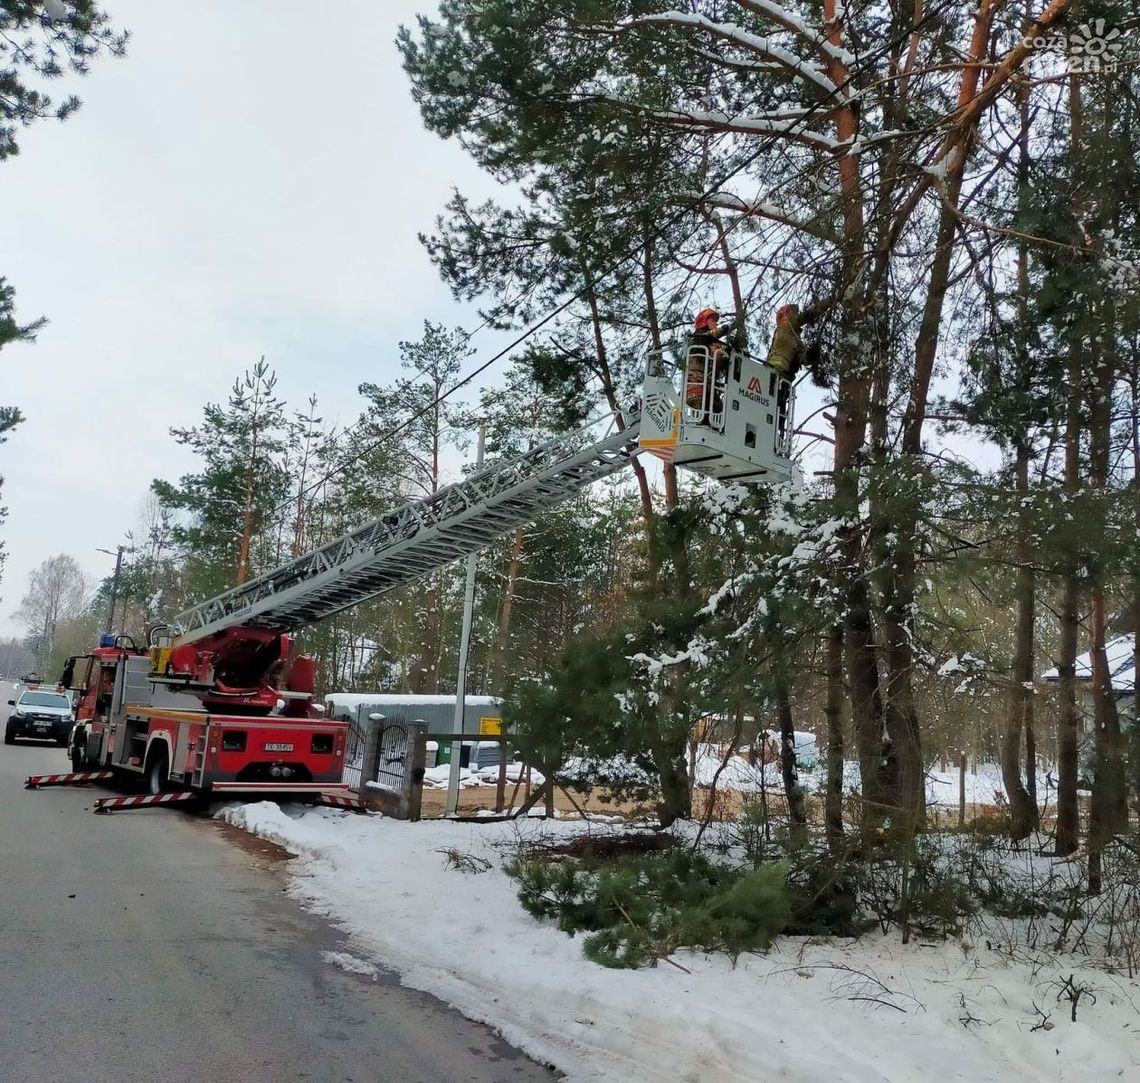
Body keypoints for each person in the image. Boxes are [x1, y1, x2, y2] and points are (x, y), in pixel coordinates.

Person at [687, 307, 734, 421]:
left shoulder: (712, 343)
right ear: (704, 321)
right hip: (696, 384)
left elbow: (719, 351)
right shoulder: (698, 338)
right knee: (701, 414)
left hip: (708, 385)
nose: (716, 323)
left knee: (718, 408)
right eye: (713, 320)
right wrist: (723, 330)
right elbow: (709, 335)